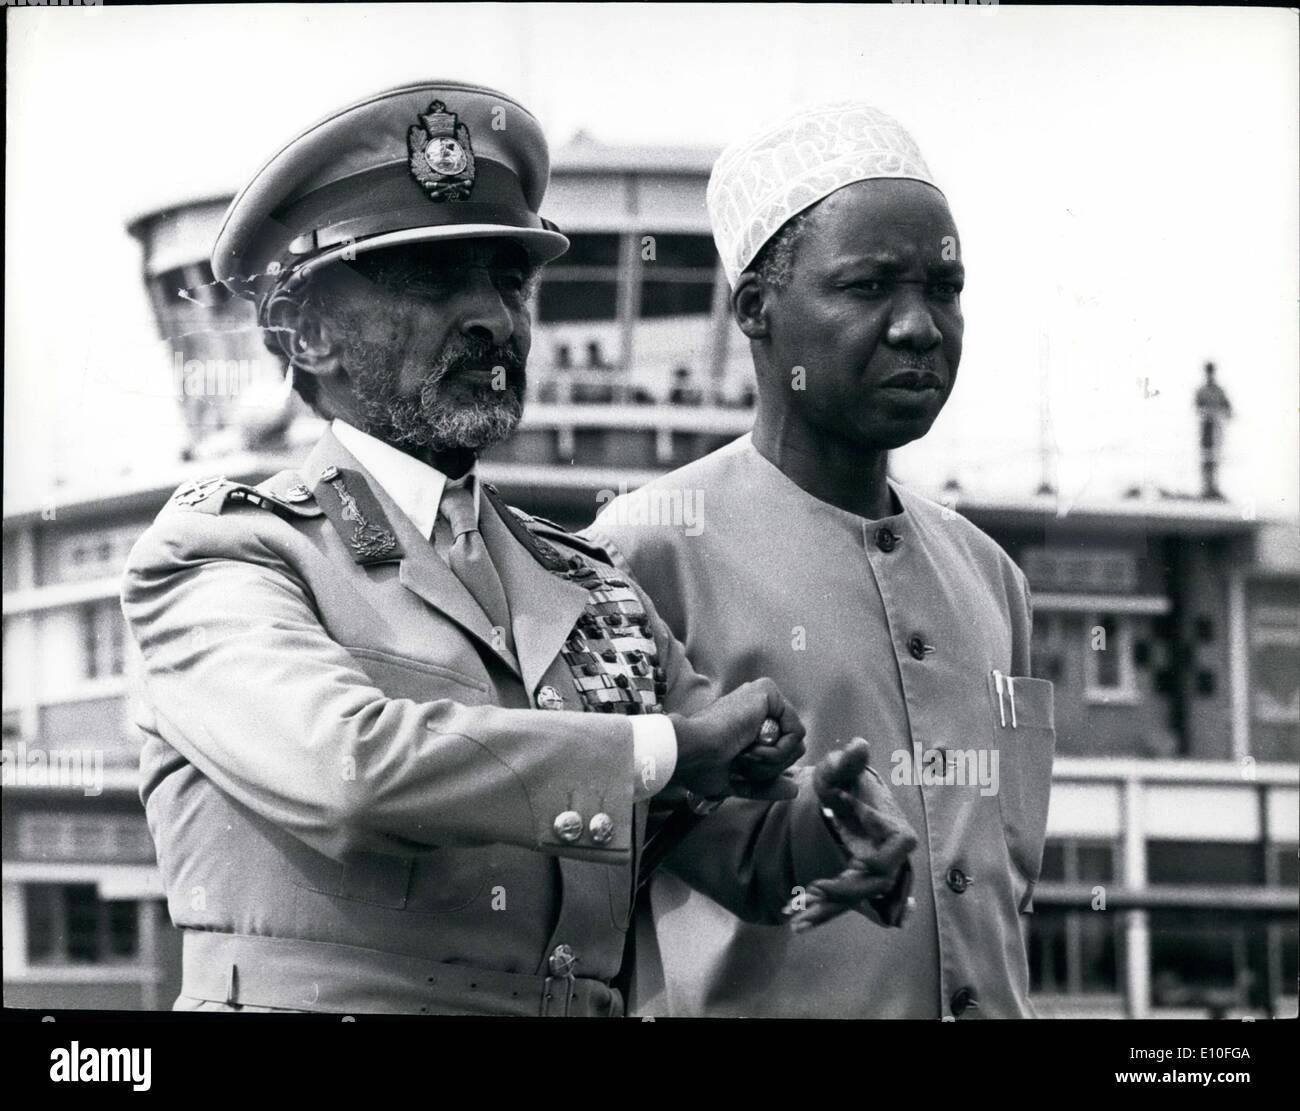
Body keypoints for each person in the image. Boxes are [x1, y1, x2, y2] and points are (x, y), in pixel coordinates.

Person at [121, 82, 916, 1017]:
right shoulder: (225, 551)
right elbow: (352, 769)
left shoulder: (587, 585)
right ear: (305, 333)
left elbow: (736, 843)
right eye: (432, 279)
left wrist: (827, 827)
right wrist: (667, 745)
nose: (494, 319)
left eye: (508, 279)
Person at [589, 101, 1057, 1018]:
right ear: (756, 310)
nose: (920, 325)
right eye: (870, 287)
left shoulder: (994, 579)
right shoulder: (639, 553)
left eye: (945, 287)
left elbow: (1005, 872)